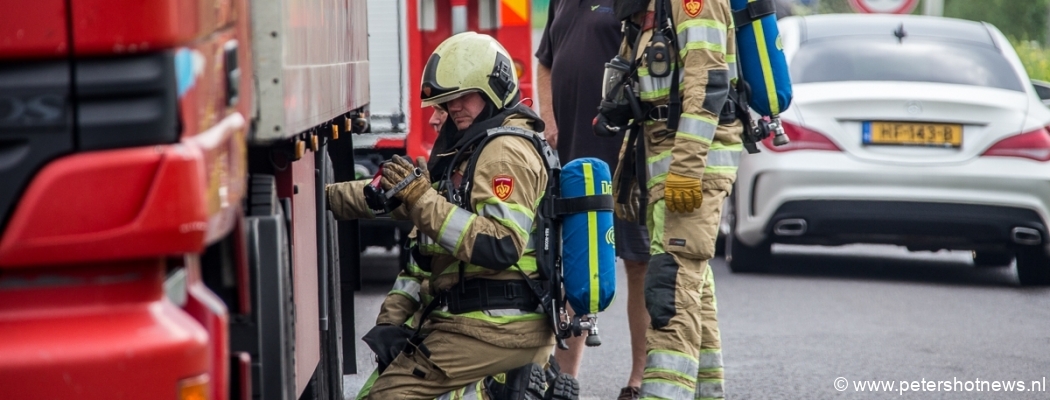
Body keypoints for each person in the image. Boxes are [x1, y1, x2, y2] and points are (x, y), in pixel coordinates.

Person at [328, 32, 577, 400]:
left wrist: (422, 199)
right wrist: (323, 198)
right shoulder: (468, 155)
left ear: (494, 89)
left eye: (464, 97)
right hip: (476, 323)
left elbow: (499, 244)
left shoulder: (504, 152)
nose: (452, 108)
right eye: (448, 100)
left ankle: (497, 392)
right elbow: (407, 218)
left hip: (493, 329)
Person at [607, 0, 743, 399]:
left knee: (670, 289)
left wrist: (685, 169)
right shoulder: (650, 8)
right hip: (665, 165)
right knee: (691, 285)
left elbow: (708, 87)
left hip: (692, 167)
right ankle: (707, 392)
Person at [534, 1, 654, 398]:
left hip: (626, 159)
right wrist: (548, 121)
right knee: (576, 266)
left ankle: (640, 379)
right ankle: (565, 379)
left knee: (639, 264)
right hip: (573, 159)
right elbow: (546, 62)